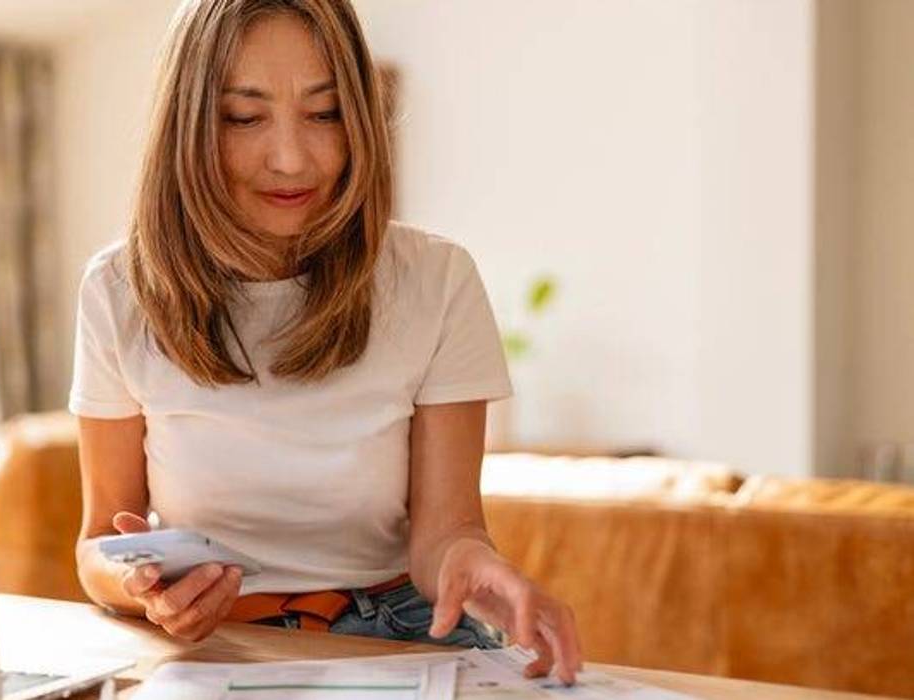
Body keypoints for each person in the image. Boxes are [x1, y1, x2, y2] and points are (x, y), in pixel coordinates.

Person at [72, 0, 582, 684]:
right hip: (219, 648)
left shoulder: (435, 279)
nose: (291, 159)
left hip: (400, 635)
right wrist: (141, 584)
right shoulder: (117, 288)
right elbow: (101, 539)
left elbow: (447, 532)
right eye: (243, 117)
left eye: (326, 112)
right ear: (186, 128)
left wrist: (471, 561)